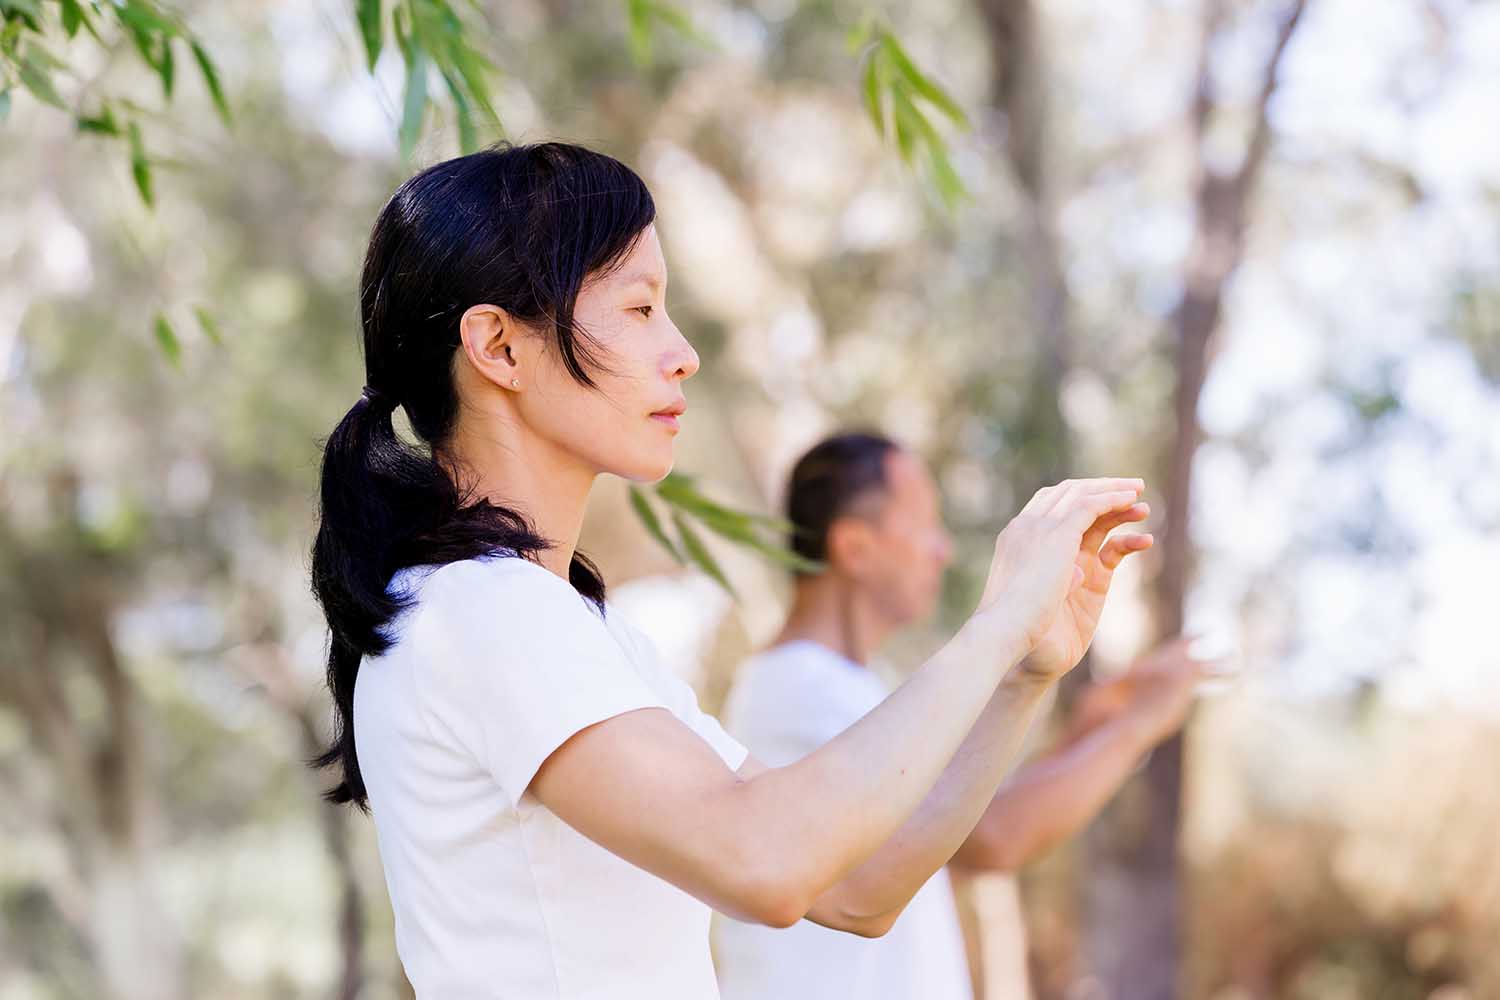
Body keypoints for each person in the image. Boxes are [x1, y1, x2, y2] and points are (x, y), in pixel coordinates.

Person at [309, 141, 1153, 999]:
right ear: (499, 346)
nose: (682, 352)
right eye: (640, 308)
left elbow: (859, 888)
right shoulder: (482, 610)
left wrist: (1020, 669)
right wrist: (994, 625)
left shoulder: (563, 624)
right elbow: (765, 864)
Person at [712, 433, 1204, 1000]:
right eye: (926, 524)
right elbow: (988, 835)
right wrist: (1140, 725)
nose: (943, 550)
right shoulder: (800, 687)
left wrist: (1088, 730)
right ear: (855, 547)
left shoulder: (850, 686)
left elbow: (954, 811)